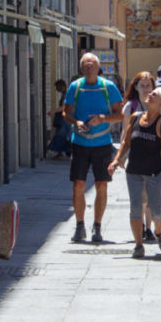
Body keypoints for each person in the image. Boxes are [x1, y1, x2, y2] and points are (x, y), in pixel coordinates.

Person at [63, 53, 124, 243]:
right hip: (80, 142)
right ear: (81, 68)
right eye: (85, 65)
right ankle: (79, 225)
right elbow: (66, 112)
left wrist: (103, 119)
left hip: (102, 143)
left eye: (92, 65)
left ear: (98, 68)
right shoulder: (76, 87)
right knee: (78, 184)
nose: (89, 68)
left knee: (101, 185)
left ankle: (97, 226)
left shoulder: (108, 87)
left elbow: (120, 114)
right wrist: (77, 121)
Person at [109, 87, 161, 258]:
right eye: (151, 92)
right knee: (135, 209)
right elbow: (126, 142)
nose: (150, 94)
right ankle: (138, 245)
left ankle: (158, 233)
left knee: (156, 212)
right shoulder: (135, 117)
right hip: (134, 172)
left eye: (155, 94)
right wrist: (117, 160)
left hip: (154, 174)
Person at [121, 71, 156, 240]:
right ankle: (141, 226)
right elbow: (124, 134)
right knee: (140, 196)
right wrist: (121, 156)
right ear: (136, 87)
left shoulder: (158, 104)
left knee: (150, 195)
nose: (145, 89)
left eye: (148, 85)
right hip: (135, 156)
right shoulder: (130, 107)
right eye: (142, 86)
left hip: (153, 155)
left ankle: (148, 228)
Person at [47, 79, 71, 158]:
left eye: (57, 87)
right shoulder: (66, 94)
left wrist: (53, 111)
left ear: (62, 86)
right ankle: (63, 152)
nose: (57, 89)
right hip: (65, 119)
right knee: (63, 136)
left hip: (64, 120)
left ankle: (62, 151)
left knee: (61, 135)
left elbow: (63, 107)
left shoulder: (66, 95)